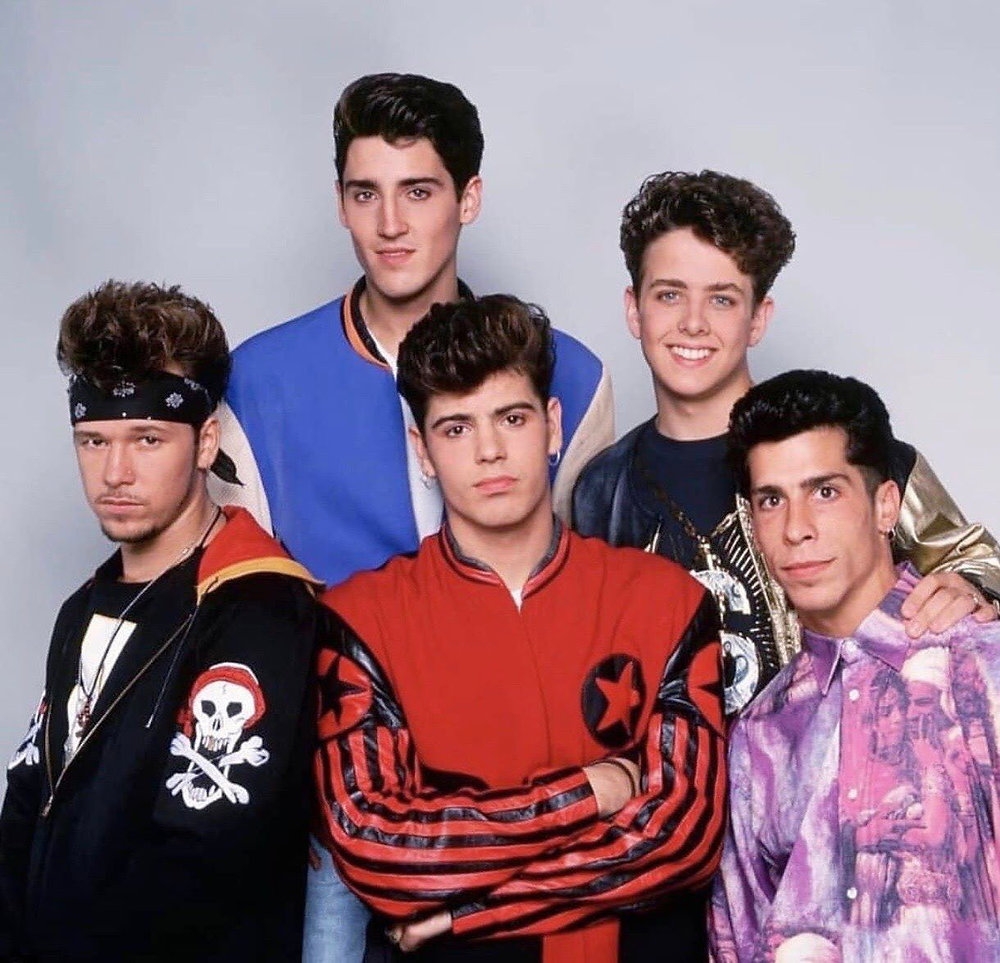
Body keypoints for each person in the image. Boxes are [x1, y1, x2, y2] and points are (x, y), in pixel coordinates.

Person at [211, 73, 612, 959]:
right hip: (335, 804)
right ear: (340, 203)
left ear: (469, 198)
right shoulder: (259, 384)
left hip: (528, 803)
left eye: (419, 192)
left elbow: (596, 605)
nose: (391, 224)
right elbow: (241, 621)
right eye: (366, 194)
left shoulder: (572, 378)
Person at [315, 295, 725, 962]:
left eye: (512, 418)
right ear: (422, 450)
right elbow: (377, 848)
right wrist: (589, 791)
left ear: (552, 425)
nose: (490, 451)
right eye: (456, 428)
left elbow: (684, 839)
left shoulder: (666, 600)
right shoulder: (361, 618)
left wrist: (466, 912)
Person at [573, 170, 1000, 717]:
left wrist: (970, 587)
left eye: (722, 299)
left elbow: (974, 558)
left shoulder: (845, 447)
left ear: (758, 318)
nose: (693, 323)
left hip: (839, 756)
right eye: (670, 295)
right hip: (674, 768)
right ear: (634, 309)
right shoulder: (600, 491)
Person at [0, 281, 319, 961]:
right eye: (93, 440)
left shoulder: (258, 604)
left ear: (206, 443)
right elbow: (27, 801)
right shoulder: (82, 608)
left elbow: (205, 855)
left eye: (147, 439)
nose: (115, 472)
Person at [710, 369, 1000, 961]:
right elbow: (736, 938)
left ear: (886, 504)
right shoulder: (760, 734)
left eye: (825, 491)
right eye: (772, 500)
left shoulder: (981, 667)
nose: (796, 530)